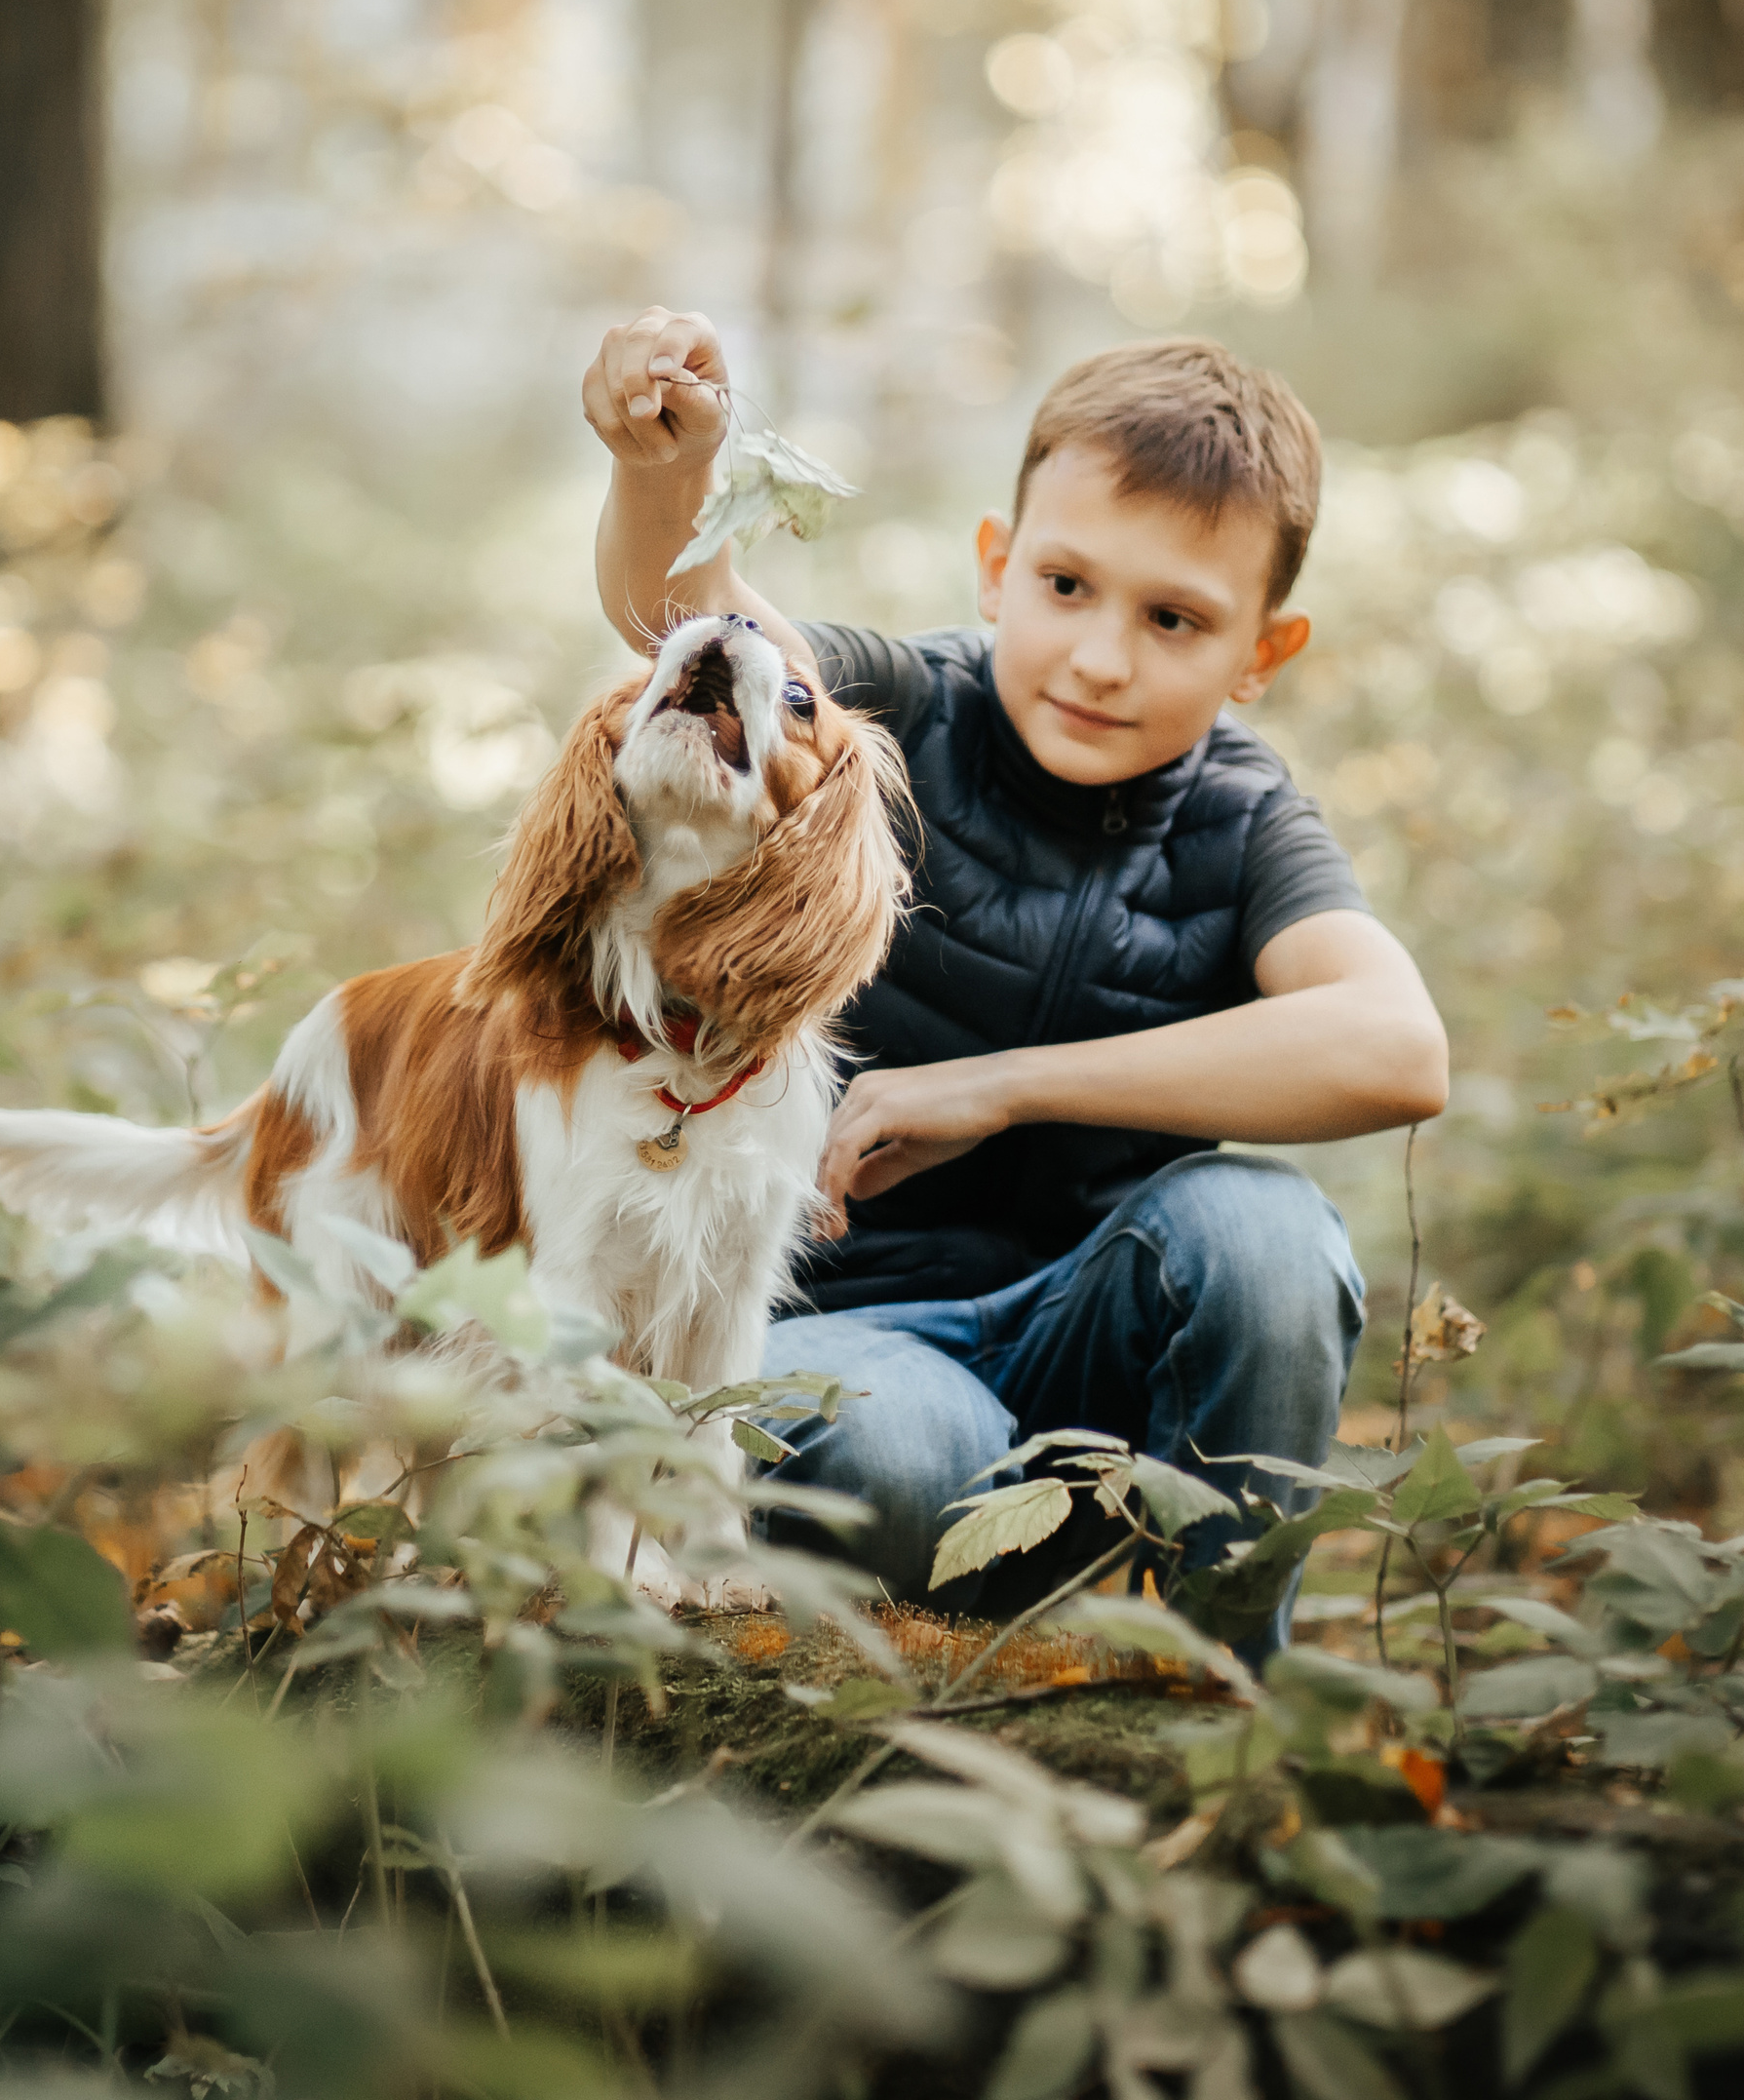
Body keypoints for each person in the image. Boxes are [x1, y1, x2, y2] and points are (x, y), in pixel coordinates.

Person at [582, 307, 1448, 1653]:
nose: (1103, 657)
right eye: (1065, 587)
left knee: (1270, 1239)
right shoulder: (904, 709)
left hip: (1095, 1363)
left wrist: (1002, 1088)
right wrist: (659, 473)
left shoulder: (1243, 819)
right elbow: (695, 637)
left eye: (1176, 619)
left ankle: (1219, 1698)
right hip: (840, 1341)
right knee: (916, 1453)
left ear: (1262, 655)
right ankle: (955, 1633)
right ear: (997, 567)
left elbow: (1398, 1048)